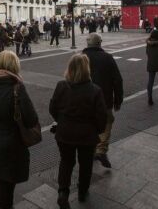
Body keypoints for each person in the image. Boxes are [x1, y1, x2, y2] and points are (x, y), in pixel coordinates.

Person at [0, 51, 39, 209]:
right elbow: (31, 119)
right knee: (7, 184)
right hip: (11, 143)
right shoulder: (17, 87)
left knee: (2, 178)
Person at [49, 54, 107, 207]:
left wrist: (61, 120)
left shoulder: (61, 85)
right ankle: (82, 191)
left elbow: (52, 108)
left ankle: (63, 192)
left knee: (66, 162)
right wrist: (97, 130)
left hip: (65, 132)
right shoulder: (95, 90)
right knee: (86, 163)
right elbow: (102, 117)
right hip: (87, 135)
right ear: (87, 69)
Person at [81, 33, 123, 168]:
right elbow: (117, 80)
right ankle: (101, 149)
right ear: (100, 43)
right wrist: (118, 99)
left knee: (88, 123)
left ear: (88, 44)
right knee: (107, 122)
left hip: (85, 99)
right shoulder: (107, 58)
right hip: (105, 98)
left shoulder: (80, 58)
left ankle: (91, 150)